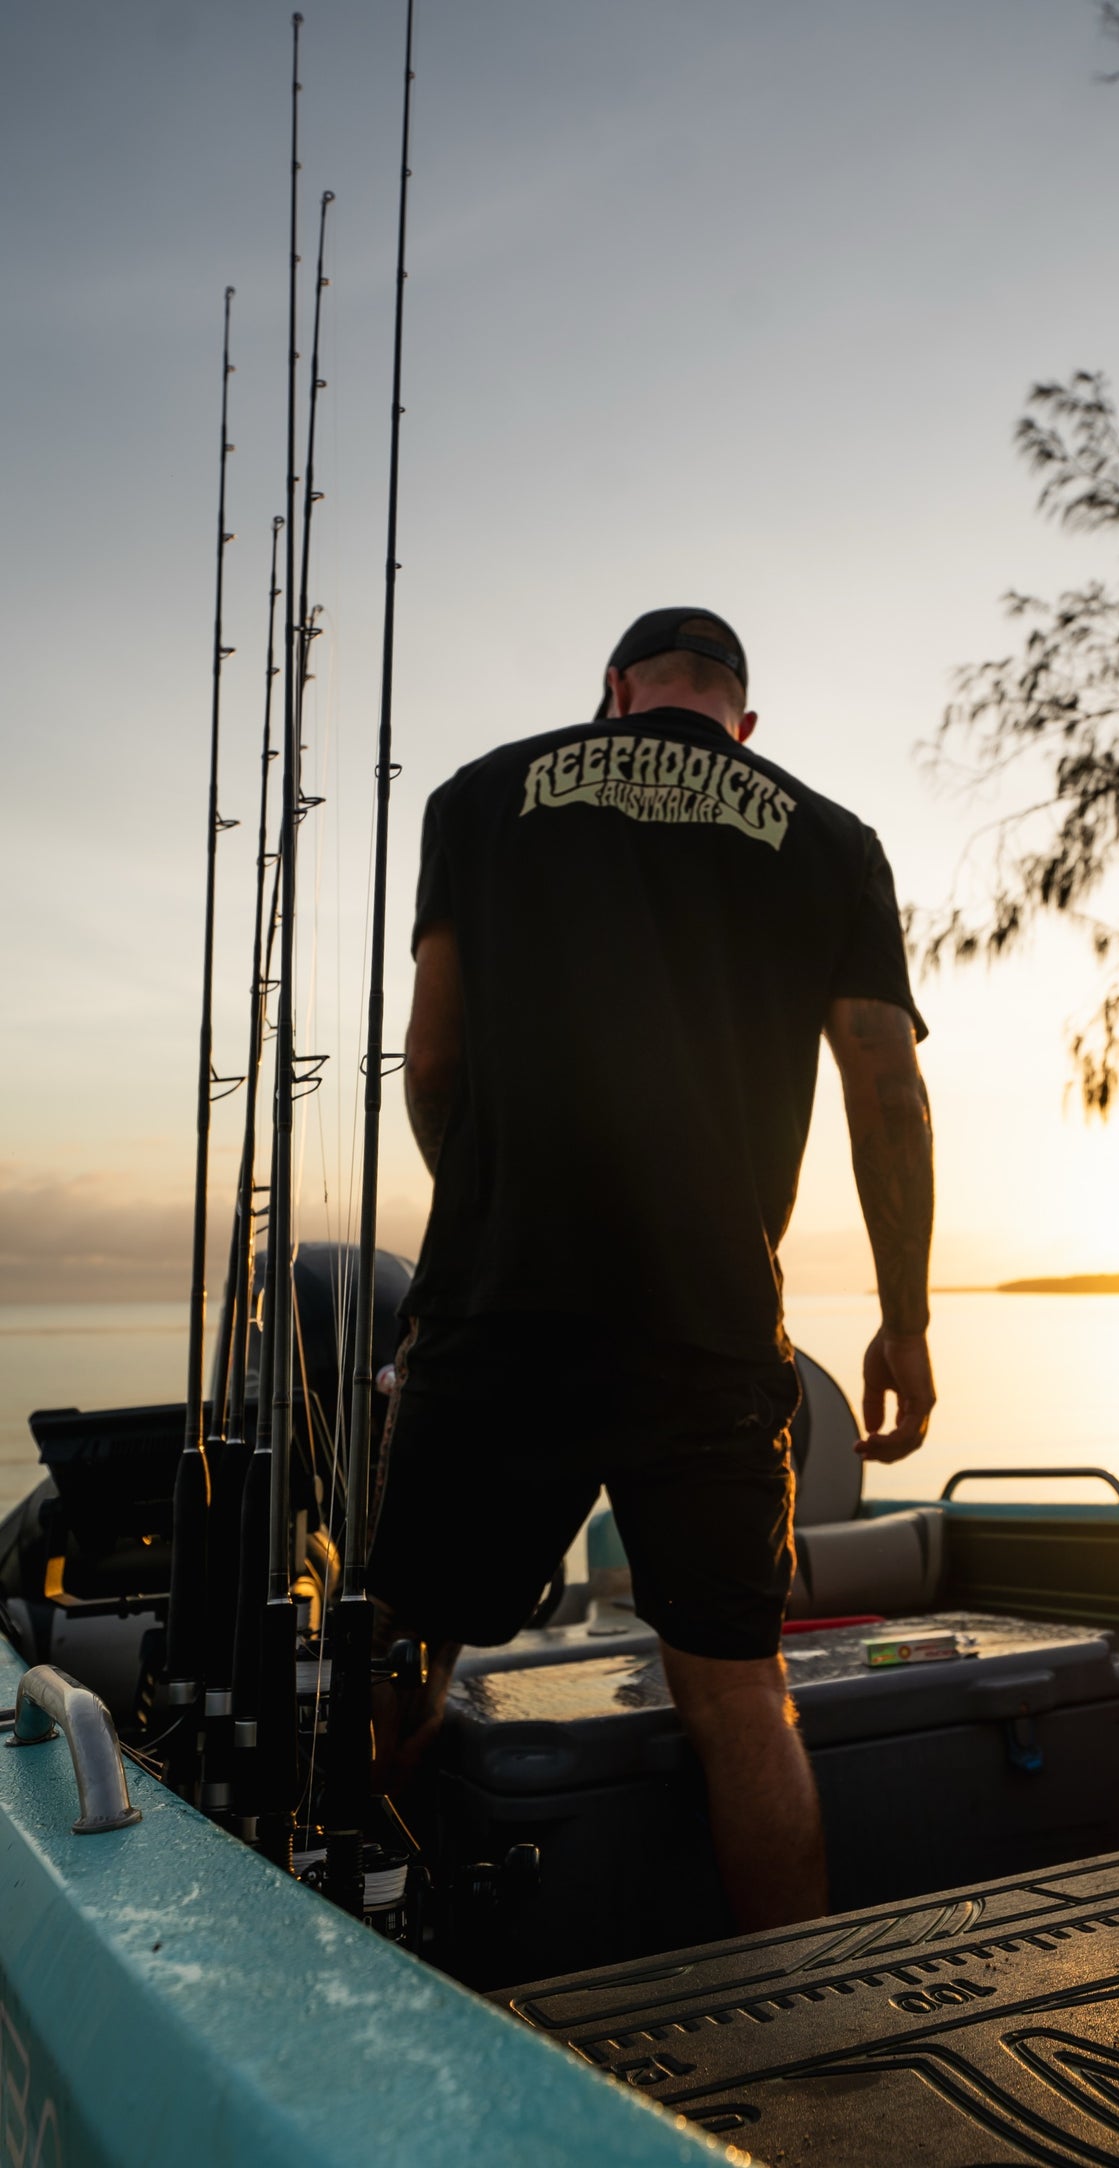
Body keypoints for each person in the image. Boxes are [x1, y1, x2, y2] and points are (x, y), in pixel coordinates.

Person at [367, 607, 935, 1931]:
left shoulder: (479, 799)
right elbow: (887, 1091)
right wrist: (903, 1322)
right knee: (740, 1696)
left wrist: (500, 1210)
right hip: (711, 1317)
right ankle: (795, 2044)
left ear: (613, 691)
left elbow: (434, 1061)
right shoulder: (828, 836)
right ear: (741, 721)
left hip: (502, 1304)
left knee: (406, 1654)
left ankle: (334, 1968)